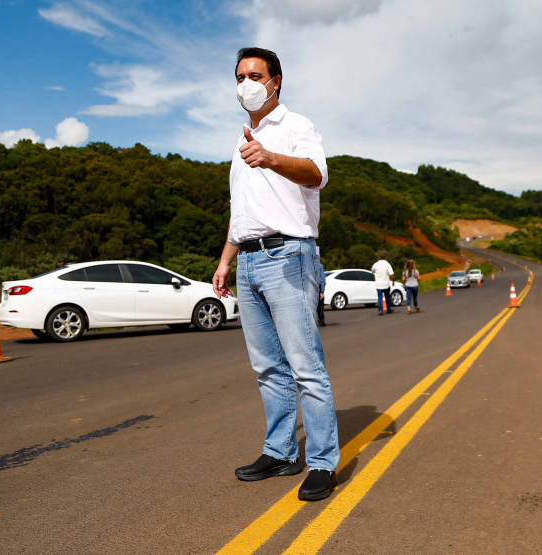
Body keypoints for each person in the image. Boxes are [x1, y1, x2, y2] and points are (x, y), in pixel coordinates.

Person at [212, 47, 339, 501]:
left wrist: (269, 157)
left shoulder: (295, 126)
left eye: (255, 74)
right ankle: (281, 452)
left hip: (289, 256)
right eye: (239, 75)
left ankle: (323, 462)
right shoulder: (241, 139)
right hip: (248, 259)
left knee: (306, 367)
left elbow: (316, 174)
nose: (246, 82)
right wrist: (227, 259)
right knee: (267, 366)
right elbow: (242, 210)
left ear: (275, 81)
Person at [317, 248, 326, 327]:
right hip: (318, 287)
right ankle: (321, 321)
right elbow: (322, 278)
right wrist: (322, 291)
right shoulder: (320, 266)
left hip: (309, 287)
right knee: (320, 306)